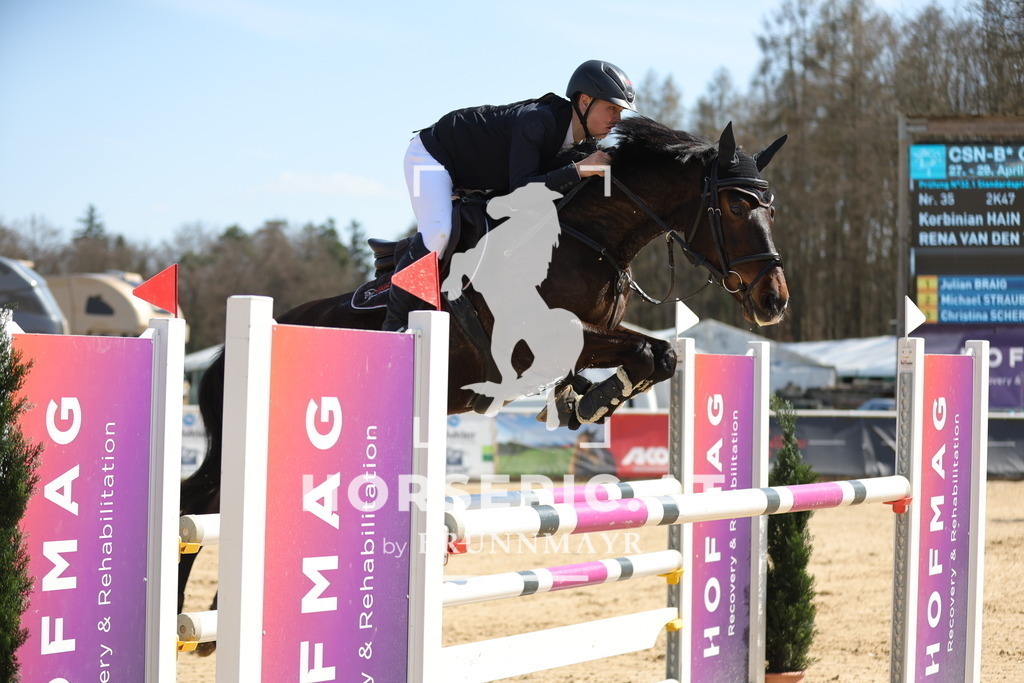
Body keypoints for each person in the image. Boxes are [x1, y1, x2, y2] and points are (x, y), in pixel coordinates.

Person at [383, 59, 637, 332]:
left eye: (620, 111)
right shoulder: (537, 120)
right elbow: (520, 193)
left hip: (472, 177)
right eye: (611, 108)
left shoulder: (585, 145)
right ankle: (394, 324)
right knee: (439, 232)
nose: (617, 119)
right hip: (430, 158)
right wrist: (576, 171)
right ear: (585, 101)